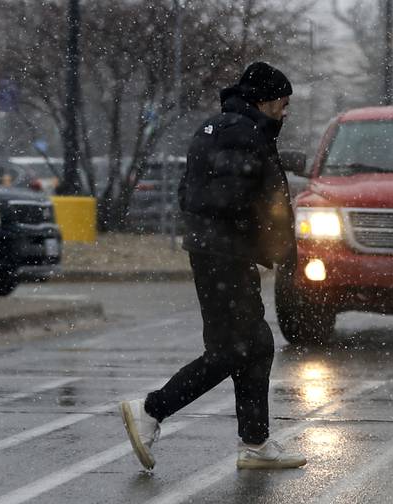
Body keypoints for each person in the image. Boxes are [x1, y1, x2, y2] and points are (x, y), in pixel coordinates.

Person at [119, 62, 305, 471]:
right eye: (282, 102)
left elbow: (192, 192)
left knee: (256, 345)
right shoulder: (243, 134)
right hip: (225, 257)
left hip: (219, 254)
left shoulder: (219, 128)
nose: (285, 111)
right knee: (231, 350)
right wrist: (263, 237)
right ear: (263, 100)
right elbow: (231, 199)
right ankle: (150, 409)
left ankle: (255, 444)